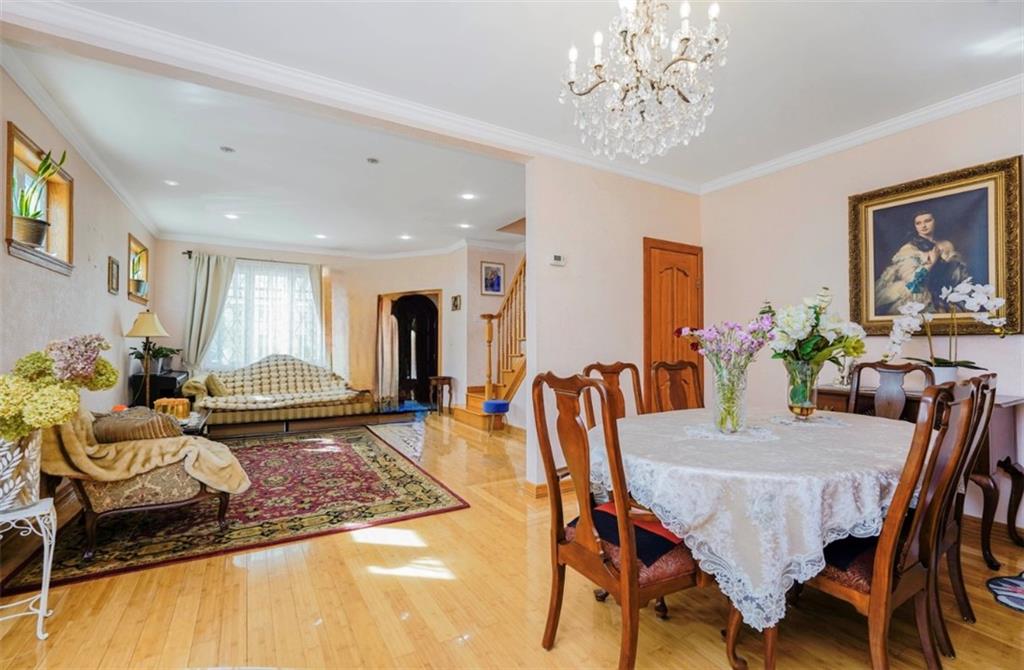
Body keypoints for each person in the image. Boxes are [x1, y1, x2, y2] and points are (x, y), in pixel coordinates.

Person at [874, 211, 967, 315]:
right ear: (915, 226)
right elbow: (912, 283)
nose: (923, 226)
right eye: (918, 223)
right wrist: (931, 263)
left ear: (935, 221)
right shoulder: (909, 249)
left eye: (927, 221)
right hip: (920, 296)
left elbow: (956, 276)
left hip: (944, 294)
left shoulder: (947, 245)